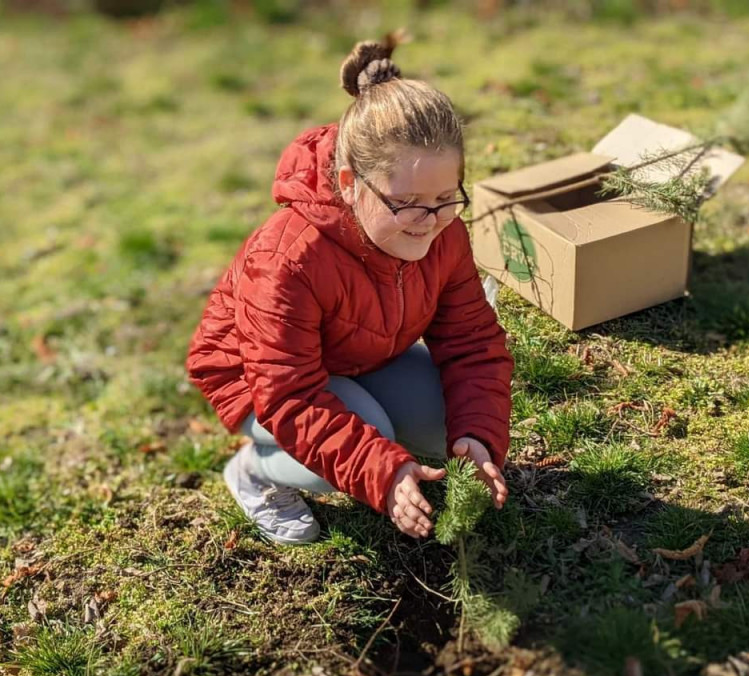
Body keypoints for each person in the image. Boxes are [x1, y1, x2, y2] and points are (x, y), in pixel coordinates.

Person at [186, 33, 513, 545]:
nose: (429, 222)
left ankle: (381, 427)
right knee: (363, 441)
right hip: (259, 379)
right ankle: (256, 471)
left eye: (447, 197)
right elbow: (290, 395)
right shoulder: (287, 260)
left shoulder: (443, 231)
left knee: (448, 427)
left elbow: (473, 342)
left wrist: (478, 434)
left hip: (359, 352)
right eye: (407, 202)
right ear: (349, 182)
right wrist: (379, 469)